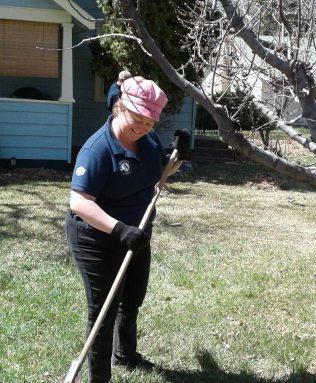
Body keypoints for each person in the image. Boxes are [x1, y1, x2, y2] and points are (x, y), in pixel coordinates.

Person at [64, 76, 189, 383]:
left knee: (132, 297)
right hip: (96, 237)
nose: (143, 127)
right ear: (120, 107)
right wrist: (119, 230)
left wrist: (175, 157)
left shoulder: (147, 140)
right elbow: (80, 202)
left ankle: (126, 354)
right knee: (102, 315)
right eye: (137, 119)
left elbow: (156, 175)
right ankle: (99, 379)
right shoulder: (97, 150)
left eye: (150, 122)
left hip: (136, 231)